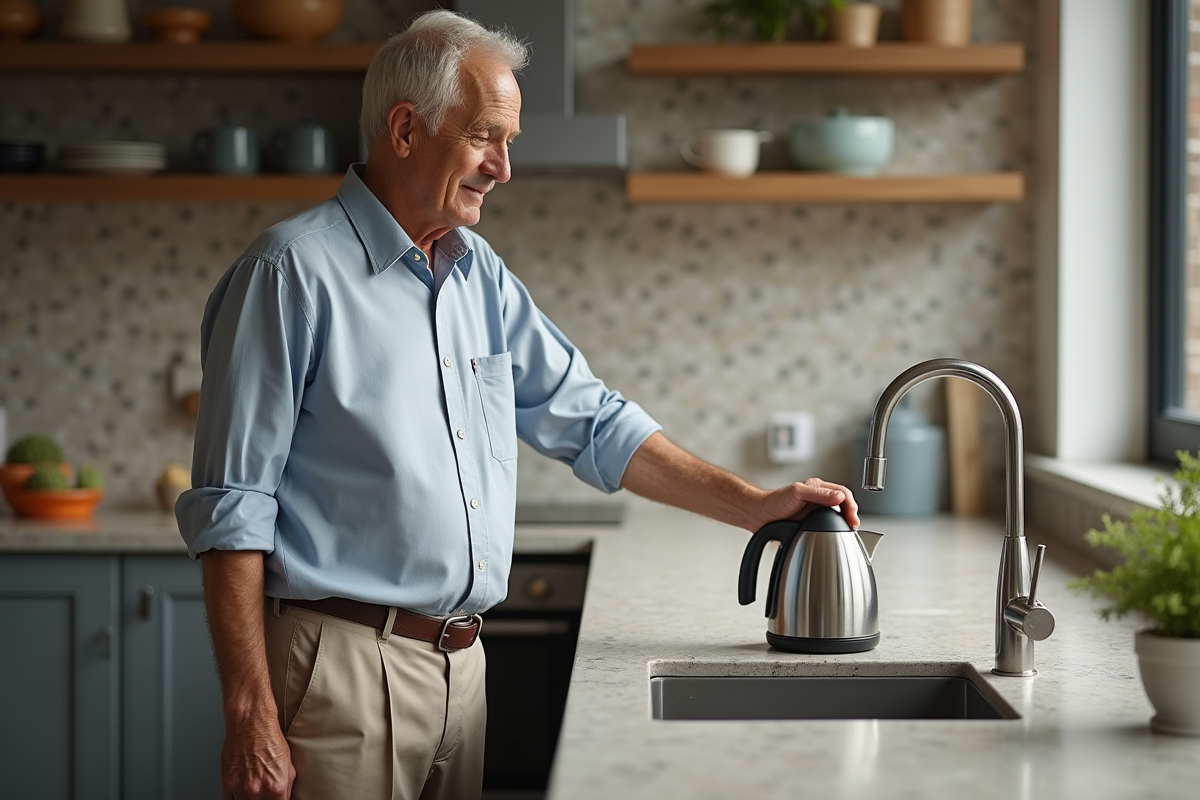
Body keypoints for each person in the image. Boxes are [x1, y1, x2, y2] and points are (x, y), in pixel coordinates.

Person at [176, 10, 859, 800]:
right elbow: (233, 507)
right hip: (341, 673)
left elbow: (592, 421)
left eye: (510, 142)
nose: (503, 167)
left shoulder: (478, 273)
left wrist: (755, 507)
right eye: (484, 137)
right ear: (405, 130)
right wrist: (249, 712)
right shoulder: (290, 273)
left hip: (462, 670)